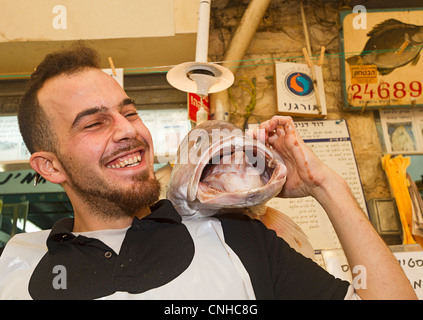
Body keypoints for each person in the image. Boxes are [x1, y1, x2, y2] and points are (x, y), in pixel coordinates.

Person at [0, 44, 416, 300]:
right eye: (94, 123)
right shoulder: (17, 264)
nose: (129, 130)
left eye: (130, 112)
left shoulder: (236, 238)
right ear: (49, 166)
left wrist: (326, 186)